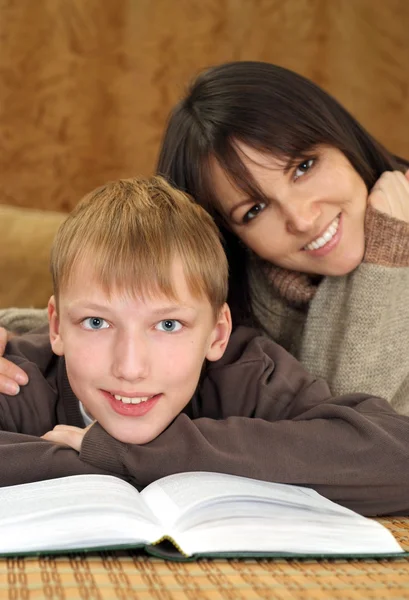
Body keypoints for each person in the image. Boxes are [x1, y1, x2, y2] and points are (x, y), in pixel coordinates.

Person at [2, 62, 409, 414]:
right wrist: (11, 327)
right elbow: (139, 314)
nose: (301, 218)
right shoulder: (254, 296)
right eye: (253, 210)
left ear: (340, 135)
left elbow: (358, 427)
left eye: (304, 167)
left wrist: (386, 259)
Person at [2, 175, 409, 517]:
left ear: (217, 333)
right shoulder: (18, 378)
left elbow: (397, 457)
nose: (129, 367)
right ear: (56, 326)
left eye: (167, 324)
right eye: (96, 322)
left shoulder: (248, 373)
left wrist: (137, 454)